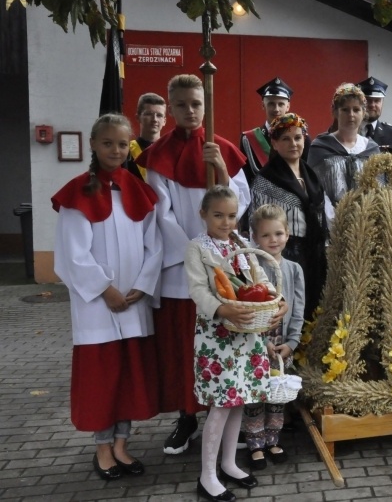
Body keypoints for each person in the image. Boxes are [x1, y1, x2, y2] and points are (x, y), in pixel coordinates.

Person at [136, 74, 284, 456]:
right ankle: (187, 418)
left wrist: (220, 168)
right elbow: (161, 213)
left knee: (224, 343)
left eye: (196, 104)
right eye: (181, 104)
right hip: (182, 265)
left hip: (223, 263)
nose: (189, 111)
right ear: (171, 108)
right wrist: (196, 253)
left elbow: (240, 201)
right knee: (185, 347)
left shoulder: (222, 148)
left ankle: (223, 416)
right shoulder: (159, 156)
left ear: (206, 106)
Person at [53, 114, 162, 480]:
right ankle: (102, 449)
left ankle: (121, 445)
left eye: (121, 143)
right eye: (107, 143)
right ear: (94, 145)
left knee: (128, 377)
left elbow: (154, 246)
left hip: (133, 302)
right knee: (104, 379)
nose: (115, 150)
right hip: (98, 308)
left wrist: (143, 285)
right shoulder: (78, 193)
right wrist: (105, 289)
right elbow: (72, 253)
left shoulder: (137, 188)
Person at [185, 185, 277, 500]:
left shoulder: (241, 242)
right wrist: (222, 308)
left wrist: (275, 299)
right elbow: (198, 289)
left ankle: (228, 463)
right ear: (204, 215)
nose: (226, 222)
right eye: (218, 215)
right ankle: (207, 475)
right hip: (218, 335)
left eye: (232, 215)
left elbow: (260, 277)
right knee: (221, 405)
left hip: (247, 333)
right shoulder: (198, 248)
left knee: (240, 399)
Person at [242, 204, 304, 471]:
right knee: (255, 397)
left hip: (282, 348)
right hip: (257, 345)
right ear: (255, 238)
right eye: (266, 235)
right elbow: (247, 308)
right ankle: (255, 444)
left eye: (278, 233)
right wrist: (261, 342)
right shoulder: (250, 269)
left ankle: (273, 440)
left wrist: (292, 343)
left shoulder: (294, 269)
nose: (273, 240)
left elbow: (298, 308)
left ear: (288, 234)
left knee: (277, 396)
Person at [250, 113, 327, 318]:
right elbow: (257, 224)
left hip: (315, 255)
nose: (293, 143)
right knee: (289, 309)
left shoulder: (311, 175)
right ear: (274, 143)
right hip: (285, 255)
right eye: (285, 139)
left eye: (298, 137)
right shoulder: (266, 180)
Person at [308, 83, 381, 226]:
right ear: (335, 112)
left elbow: (379, 189)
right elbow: (314, 188)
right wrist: (334, 218)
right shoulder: (320, 147)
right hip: (329, 223)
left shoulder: (372, 149)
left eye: (356, 109)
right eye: (345, 110)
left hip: (365, 223)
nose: (351, 115)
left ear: (363, 112)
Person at [240, 77, 309, 186]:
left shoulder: (302, 138)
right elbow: (246, 178)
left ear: (288, 106)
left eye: (281, 104)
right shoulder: (249, 139)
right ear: (263, 105)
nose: (276, 109)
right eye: (271, 104)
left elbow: (306, 174)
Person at [128, 93, 167, 181]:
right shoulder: (127, 152)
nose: (154, 119)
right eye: (149, 114)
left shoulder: (171, 152)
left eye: (159, 115)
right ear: (138, 118)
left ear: (164, 121)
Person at [357, 76, 392, 148]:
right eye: (367, 100)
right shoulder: (347, 132)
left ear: (382, 103)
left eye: (377, 101)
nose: (372, 105)